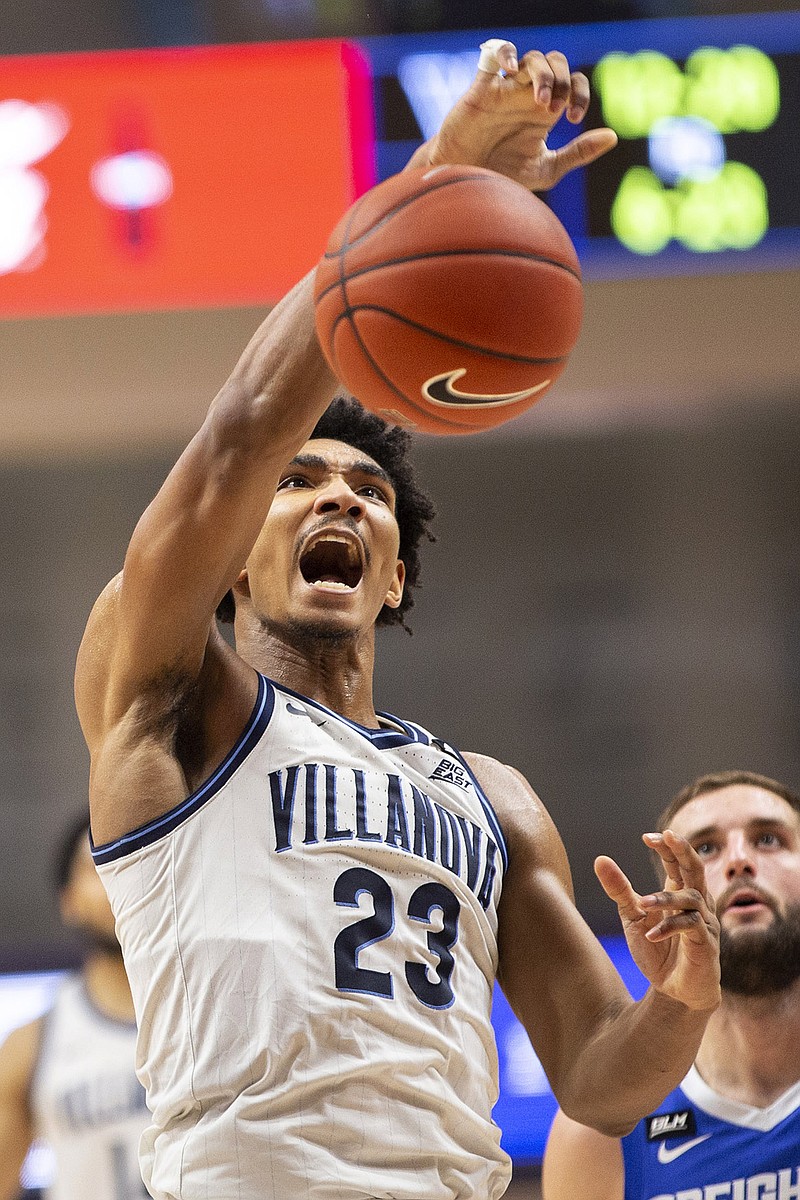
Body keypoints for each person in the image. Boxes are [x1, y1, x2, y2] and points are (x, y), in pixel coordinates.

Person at [74, 40, 721, 1200]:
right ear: (229, 564)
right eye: (302, 483)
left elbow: (595, 1081)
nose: (337, 497)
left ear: (392, 581)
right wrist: (436, 175)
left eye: (369, 495)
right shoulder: (177, 702)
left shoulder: (495, 798)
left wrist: (676, 1000)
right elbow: (236, 437)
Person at [542, 769, 800, 1200]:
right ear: (668, 903)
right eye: (703, 849)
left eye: (769, 839)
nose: (740, 861)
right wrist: (675, 1000)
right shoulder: (601, 1133)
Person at [0, 817, 148, 1200]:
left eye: (136, 862)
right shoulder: (31, 1043)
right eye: (100, 867)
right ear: (69, 901)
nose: (121, 882)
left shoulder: (221, 1014)